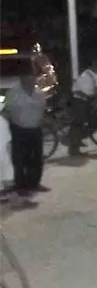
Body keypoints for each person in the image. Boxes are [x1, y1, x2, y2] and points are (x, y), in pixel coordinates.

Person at [4, 71, 48, 201]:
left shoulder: (38, 91)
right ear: (22, 77)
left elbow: (42, 108)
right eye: (29, 77)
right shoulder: (13, 92)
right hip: (19, 129)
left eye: (34, 77)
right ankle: (21, 186)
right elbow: (8, 111)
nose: (33, 79)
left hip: (35, 128)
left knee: (36, 159)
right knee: (20, 160)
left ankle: (34, 183)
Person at [69, 59, 97, 156]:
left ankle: (78, 140)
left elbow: (94, 90)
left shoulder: (93, 75)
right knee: (78, 124)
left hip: (85, 101)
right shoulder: (86, 75)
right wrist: (88, 96)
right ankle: (74, 148)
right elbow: (77, 90)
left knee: (93, 121)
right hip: (79, 101)